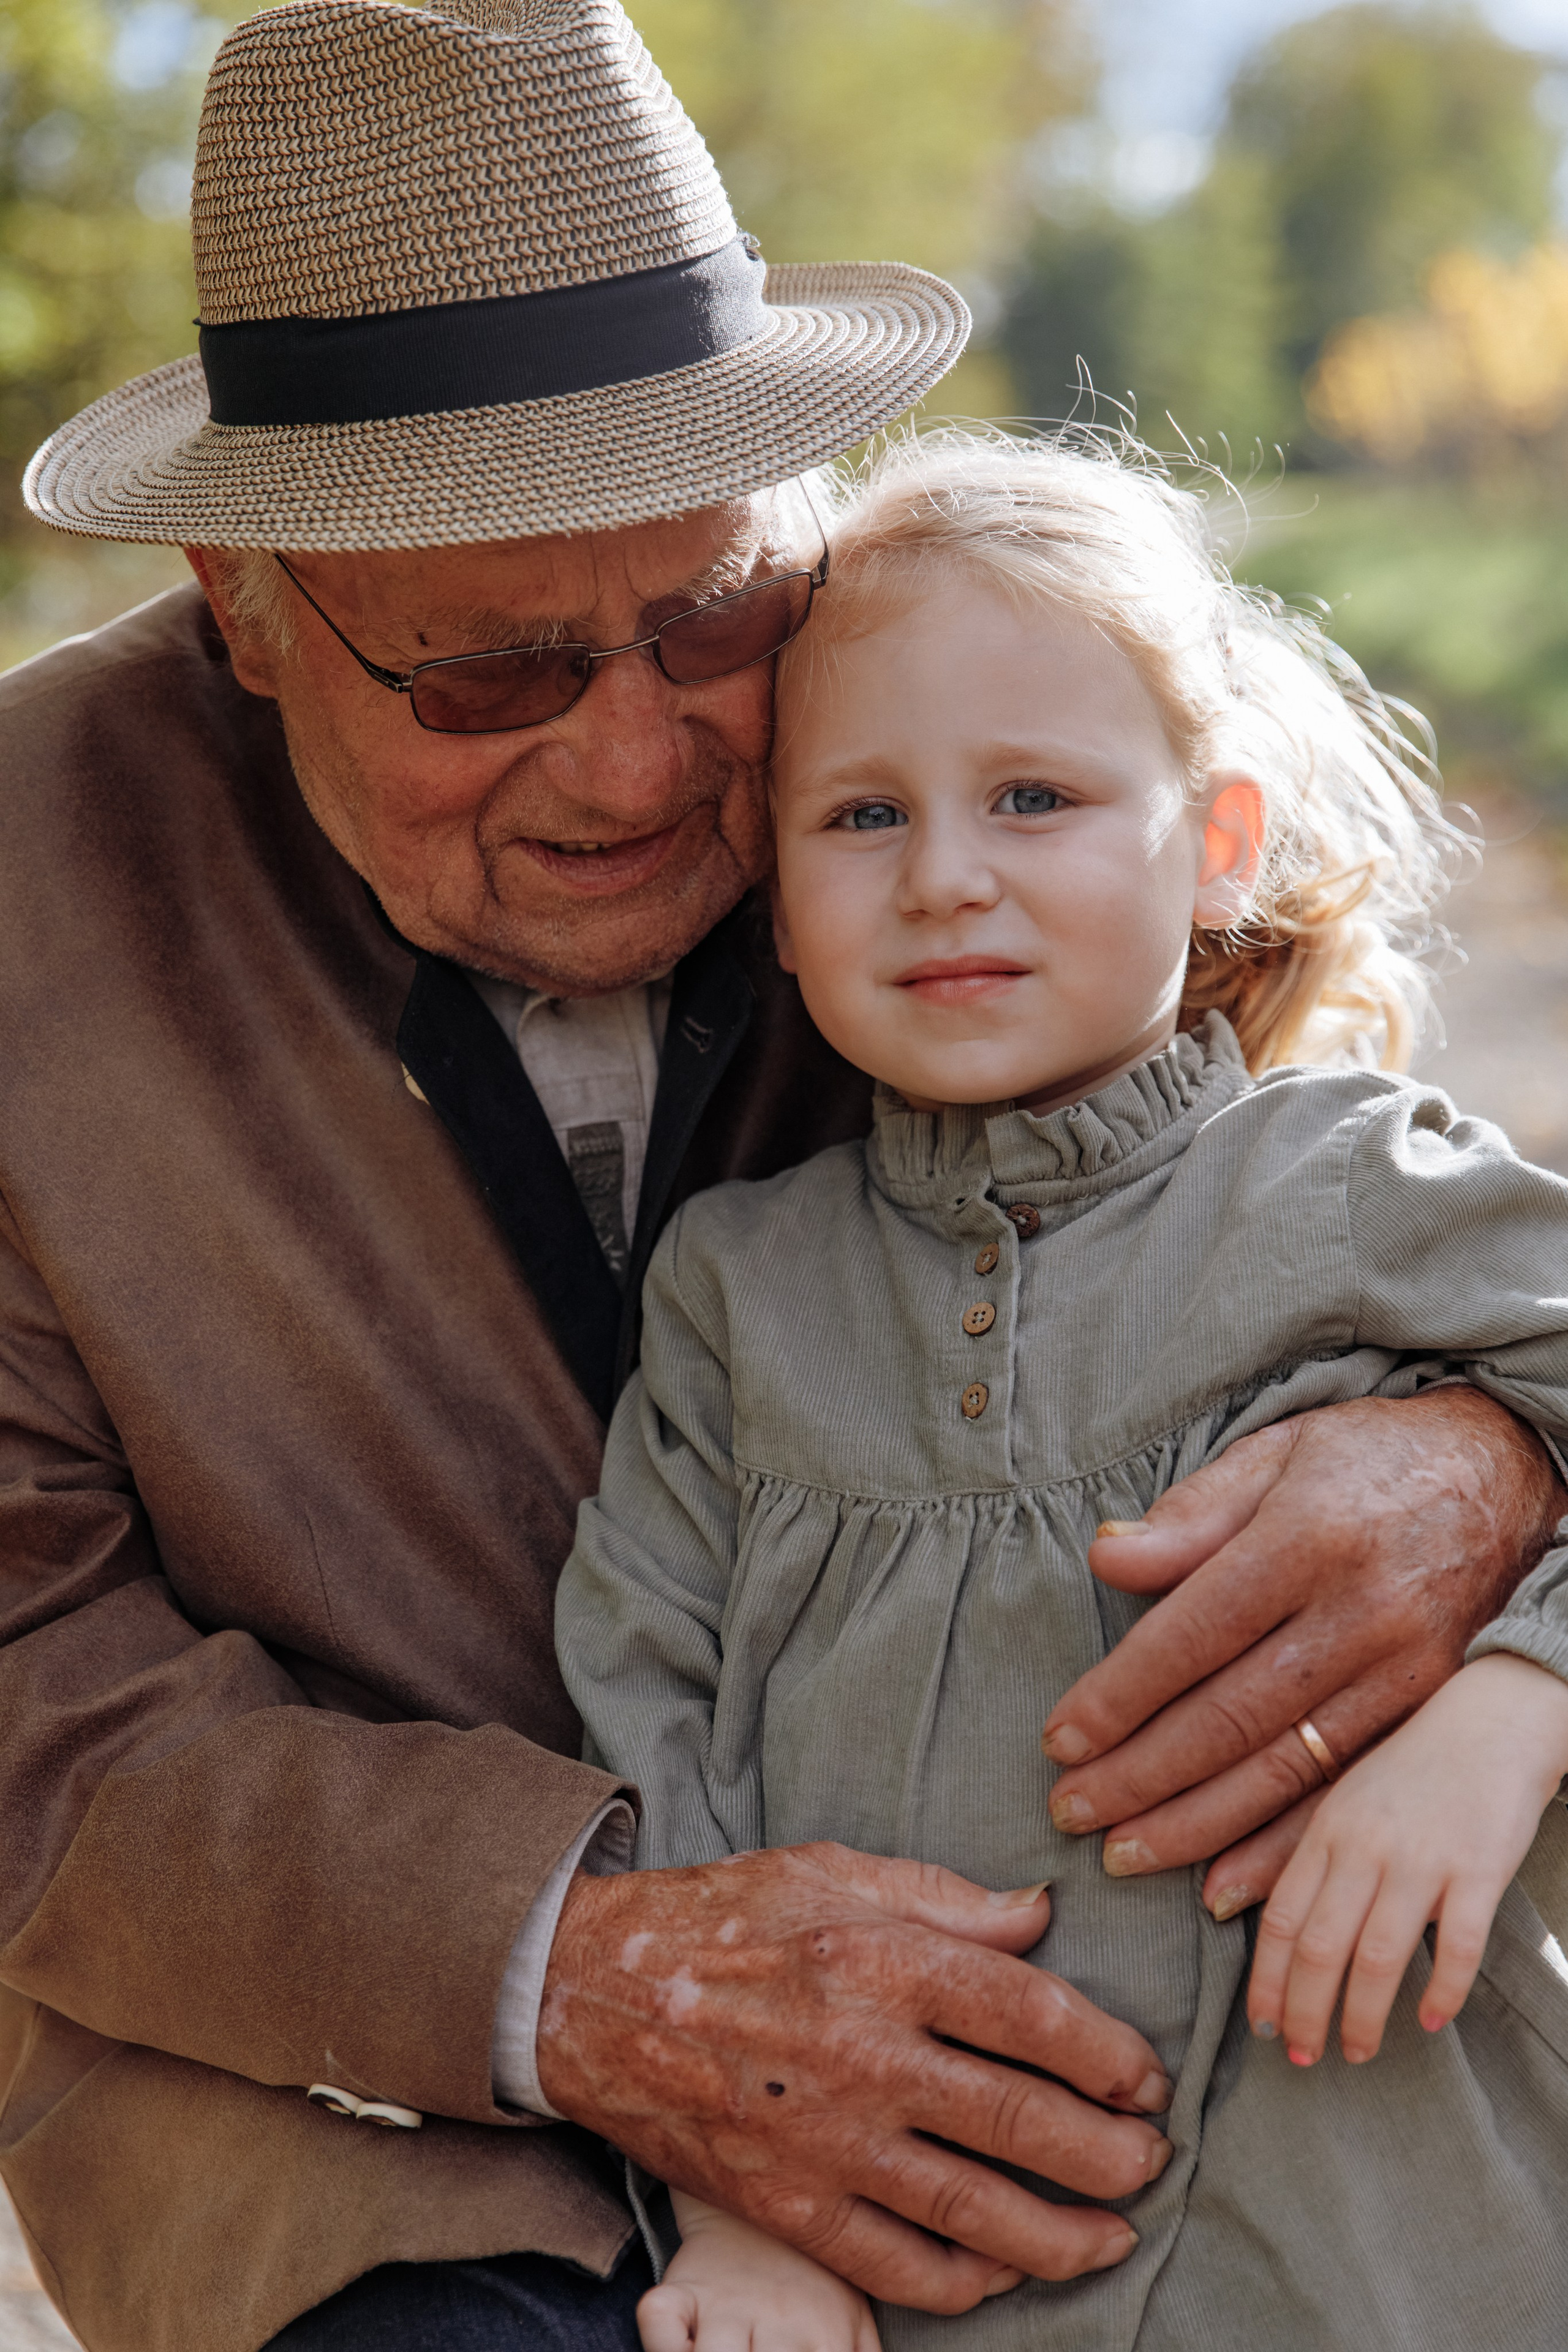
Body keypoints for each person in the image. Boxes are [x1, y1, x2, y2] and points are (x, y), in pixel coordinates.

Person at [1, 2, 1560, 2347]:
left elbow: (1355, 1216)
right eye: (493, 676)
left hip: (1192, 2096)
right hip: (365, 2096)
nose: (642, 762)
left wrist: (1489, 1472)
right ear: (247, 602)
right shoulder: (27, 906)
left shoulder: (913, 699)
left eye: (706, 615)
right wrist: (595, 1973)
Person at [558, 428, 1568, 2352]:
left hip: (1403, 2248)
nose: (946, 878)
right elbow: (649, 1723)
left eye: (1033, 797)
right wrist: (736, 2206)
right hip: (949, 2283)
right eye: (863, 817)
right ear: (773, 898)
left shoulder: (1349, 1187)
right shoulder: (736, 1297)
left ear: (1216, 844)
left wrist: (1520, 1697)